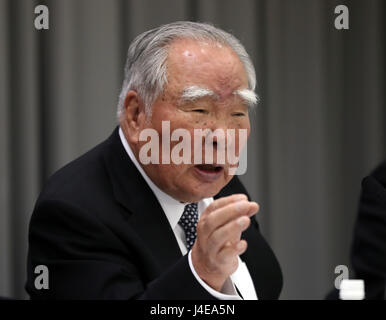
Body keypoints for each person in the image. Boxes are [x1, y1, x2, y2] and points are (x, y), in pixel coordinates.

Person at [26, 21, 282, 299]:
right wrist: (202, 274)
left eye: (237, 113)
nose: (222, 137)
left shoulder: (216, 182)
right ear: (136, 114)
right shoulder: (72, 211)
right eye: (199, 109)